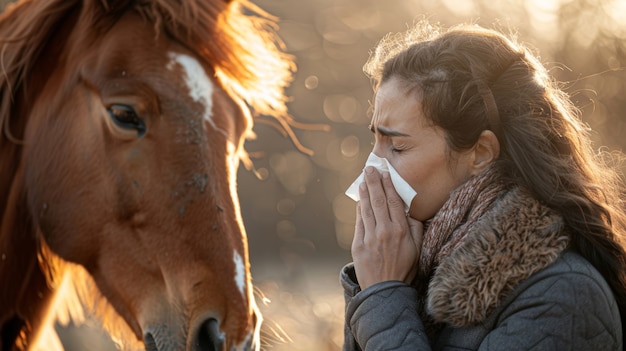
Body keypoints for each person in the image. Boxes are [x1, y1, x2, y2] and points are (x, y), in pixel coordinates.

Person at [341, 21, 626, 350]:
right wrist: (374, 289)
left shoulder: (563, 295)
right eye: (375, 140)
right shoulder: (410, 262)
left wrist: (384, 298)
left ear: (480, 153)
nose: (372, 168)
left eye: (398, 147)